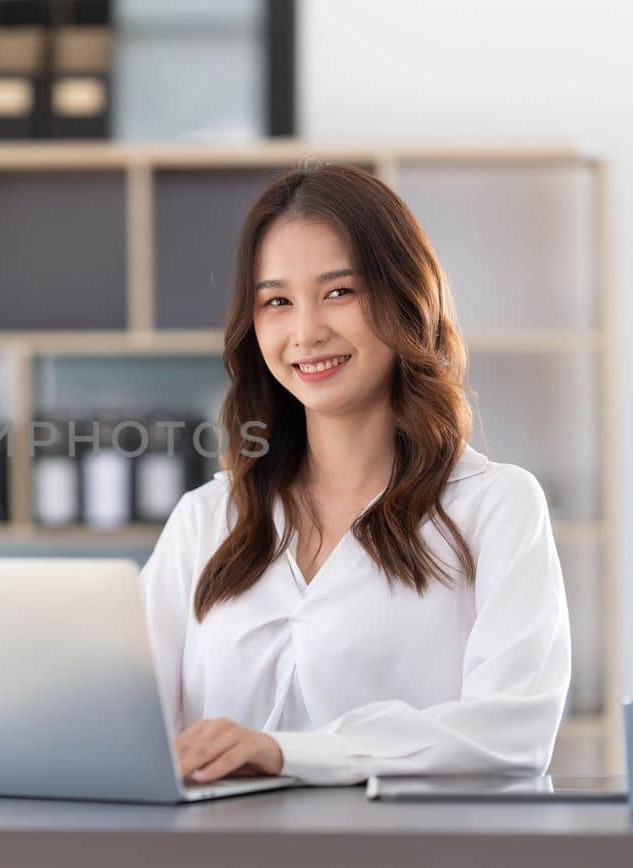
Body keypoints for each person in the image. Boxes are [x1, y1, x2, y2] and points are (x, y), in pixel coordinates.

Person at [142, 164, 571, 786]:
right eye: (277, 301)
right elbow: (131, 725)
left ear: (404, 296)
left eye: (339, 292)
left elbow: (513, 733)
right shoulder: (206, 521)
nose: (307, 331)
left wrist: (289, 753)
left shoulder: (496, 507)